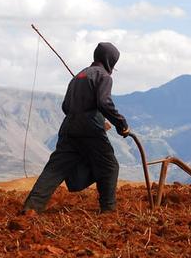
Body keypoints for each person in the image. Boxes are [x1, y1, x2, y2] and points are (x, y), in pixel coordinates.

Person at [22, 42, 130, 214]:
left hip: (69, 127)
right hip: (90, 129)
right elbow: (104, 103)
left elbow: (66, 106)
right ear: (110, 61)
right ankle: (108, 211)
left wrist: (85, 115)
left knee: (55, 168)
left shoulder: (78, 76)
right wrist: (121, 124)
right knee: (109, 166)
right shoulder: (103, 76)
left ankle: (31, 207)